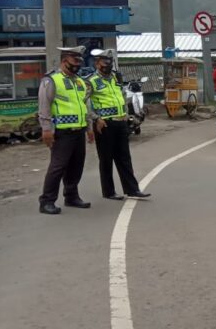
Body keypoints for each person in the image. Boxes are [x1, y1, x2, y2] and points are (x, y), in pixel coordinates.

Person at [86, 49, 151, 201]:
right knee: (106, 159)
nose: (107, 65)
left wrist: (127, 115)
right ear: (97, 63)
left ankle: (132, 189)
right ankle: (109, 191)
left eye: (109, 62)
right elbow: (84, 103)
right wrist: (95, 118)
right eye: (104, 62)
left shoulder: (116, 78)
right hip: (105, 124)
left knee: (124, 158)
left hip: (120, 122)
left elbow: (121, 97)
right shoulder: (91, 81)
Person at [38, 46, 93, 215]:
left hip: (79, 131)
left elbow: (85, 105)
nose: (77, 64)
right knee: (58, 166)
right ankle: (47, 201)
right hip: (61, 132)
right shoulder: (52, 80)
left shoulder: (79, 81)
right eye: (74, 61)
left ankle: (71, 196)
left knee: (77, 165)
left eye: (79, 61)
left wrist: (89, 127)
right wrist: (46, 129)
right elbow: (44, 106)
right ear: (64, 61)